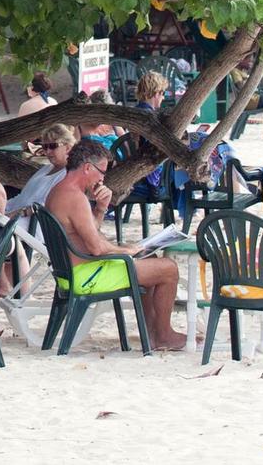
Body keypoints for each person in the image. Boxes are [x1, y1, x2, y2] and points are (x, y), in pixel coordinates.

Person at [45, 140, 186, 350]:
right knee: (168, 269)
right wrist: (126, 250)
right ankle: (164, 335)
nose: (103, 177)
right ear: (87, 168)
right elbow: (96, 248)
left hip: (71, 272)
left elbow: (87, 234)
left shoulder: (60, 191)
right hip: (86, 276)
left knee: (150, 259)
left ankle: (152, 333)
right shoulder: (75, 197)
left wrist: (101, 208)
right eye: (101, 171)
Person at [5, 124, 76, 241]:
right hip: (20, 217)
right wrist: (3, 207)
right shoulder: (46, 168)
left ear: (68, 148)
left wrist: (14, 214)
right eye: (45, 147)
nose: (48, 151)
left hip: (37, 224)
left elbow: (45, 206)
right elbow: (23, 196)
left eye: (53, 146)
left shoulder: (68, 174)